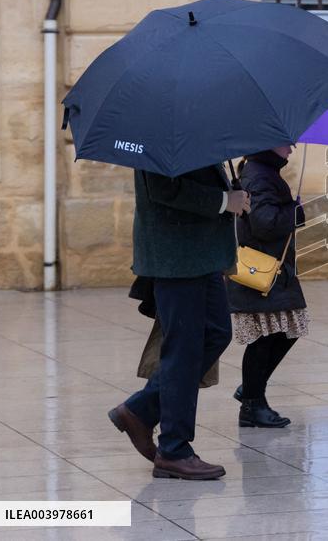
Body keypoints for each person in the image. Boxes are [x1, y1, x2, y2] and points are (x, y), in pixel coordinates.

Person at [109, 164, 247, 479]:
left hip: (204, 255)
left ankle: (140, 410)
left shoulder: (195, 127)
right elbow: (164, 189)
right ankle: (174, 449)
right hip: (177, 257)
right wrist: (225, 201)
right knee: (183, 348)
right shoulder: (158, 131)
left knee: (215, 334)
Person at [227, 146, 309, 428]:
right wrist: (295, 211)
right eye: (286, 143)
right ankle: (252, 403)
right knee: (266, 339)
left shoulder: (262, 171)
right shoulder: (260, 176)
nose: (291, 149)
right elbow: (264, 223)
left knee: (284, 331)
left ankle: (251, 389)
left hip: (276, 268)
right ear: (268, 144)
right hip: (264, 269)